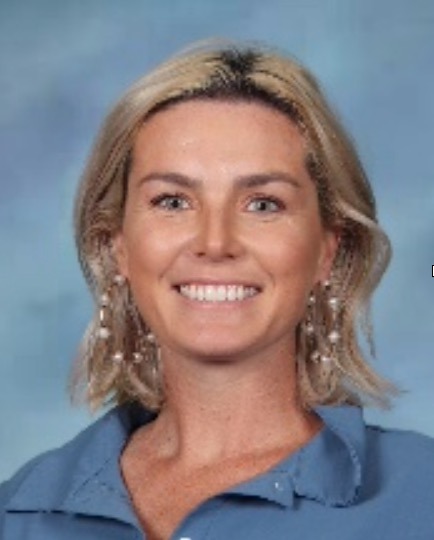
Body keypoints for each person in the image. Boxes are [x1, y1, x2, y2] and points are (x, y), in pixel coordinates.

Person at [1, 40, 433, 540]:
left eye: (263, 204)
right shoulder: (22, 510)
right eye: (172, 201)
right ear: (115, 245)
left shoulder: (421, 496)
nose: (215, 242)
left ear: (327, 250)